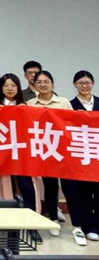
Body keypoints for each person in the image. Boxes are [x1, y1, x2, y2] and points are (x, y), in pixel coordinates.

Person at [0, 73, 42, 243]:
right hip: (2, 154)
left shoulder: (26, 106)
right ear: (1, 88)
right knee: (6, 188)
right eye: (6, 86)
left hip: (22, 155)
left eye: (13, 85)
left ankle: (33, 225)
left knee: (28, 187)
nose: (9, 89)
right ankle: (9, 222)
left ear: (18, 87)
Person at [27, 70, 75, 241]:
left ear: (52, 84)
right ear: (34, 85)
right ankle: (53, 219)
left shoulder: (63, 102)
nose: (43, 85)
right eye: (39, 82)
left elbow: (73, 123)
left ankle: (76, 225)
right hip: (44, 151)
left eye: (46, 81)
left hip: (63, 151)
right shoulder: (30, 104)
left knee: (69, 188)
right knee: (50, 187)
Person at [70, 70, 99, 244]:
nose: (84, 86)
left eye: (87, 83)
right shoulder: (70, 105)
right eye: (80, 83)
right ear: (75, 85)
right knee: (85, 194)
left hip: (98, 154)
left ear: (93, 84)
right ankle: (89, 227)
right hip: (80, 155)